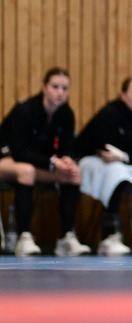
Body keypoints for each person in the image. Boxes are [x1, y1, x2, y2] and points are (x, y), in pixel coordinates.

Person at [0, 68, 90, 257]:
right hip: (8, 159)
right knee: (26, 171)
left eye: (65, 88)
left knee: (73, 173)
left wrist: (66, 160)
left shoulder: (66, 114)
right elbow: (20, 152)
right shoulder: (25, 111)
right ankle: (24, 237)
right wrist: (52, 162)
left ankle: (65, 237)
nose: (60, 92)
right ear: (44, 88)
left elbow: (66, 147)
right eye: (55, 87)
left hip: (38, 163)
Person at [76, 76, 132, 256]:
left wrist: (125, 157)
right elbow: (104, 148)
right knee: (116, 172)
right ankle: (108, 236)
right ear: (123, 95)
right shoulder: (110, 113)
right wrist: (122, 158)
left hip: (125, 160)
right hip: (92, 158)